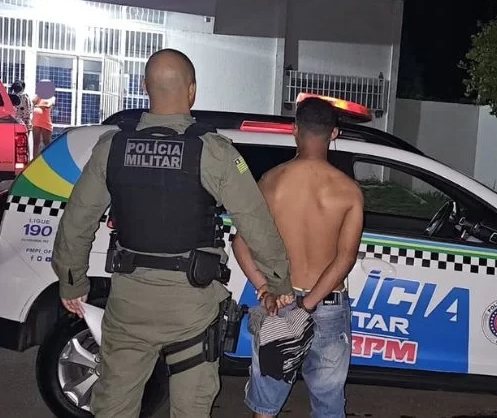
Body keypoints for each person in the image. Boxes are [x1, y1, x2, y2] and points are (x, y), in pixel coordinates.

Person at [51, 48, 292, 418]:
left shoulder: (112, 147)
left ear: (145, 87)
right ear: (192, 90)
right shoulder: (215, 153)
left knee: (113, 407)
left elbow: (77, 221)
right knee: (191, 410)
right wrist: (278, 282)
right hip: (190, 308)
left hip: (130, 305)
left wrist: (72, 282)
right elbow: (257, 224)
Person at [232, 96, 365, 418]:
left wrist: (264, 288)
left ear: (295, 129)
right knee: (328, 402)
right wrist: (308, 306)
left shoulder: (271, 181)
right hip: (327, 307)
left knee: (265, 404)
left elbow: (240, 244)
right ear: (334, 133)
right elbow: (345, 259)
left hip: (280, 302)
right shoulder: (348, 191)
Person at [32, 86, 55, 155]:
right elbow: (33, 101)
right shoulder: (39, 96)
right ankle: (35, 159)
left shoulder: (51, 97)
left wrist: (38, 106)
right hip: (37, 120)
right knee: (37, 142)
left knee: (46, 142)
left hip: (44, 120)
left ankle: (48, 158)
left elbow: (48, 105)